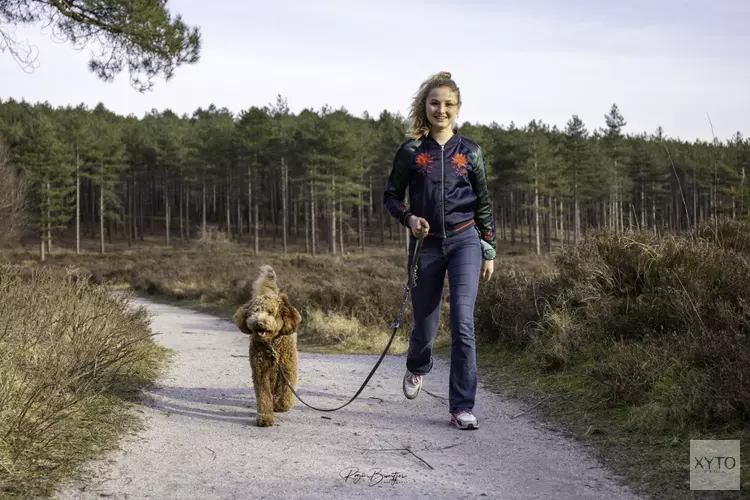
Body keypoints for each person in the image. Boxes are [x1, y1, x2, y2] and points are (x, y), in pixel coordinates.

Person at [383, 71, 496, 430]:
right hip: (425, 245)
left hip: (465, 242)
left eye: (448, 104)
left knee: (463, 324)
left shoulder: (471, 152)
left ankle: (461, 406)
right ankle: (418, 366)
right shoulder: (412, 152)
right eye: (435, 103)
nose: (441, 109)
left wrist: (489, 248)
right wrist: (409, 218)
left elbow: (483, 202)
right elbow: (390, 197)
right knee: (426, 330)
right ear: (425, 107)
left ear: (458, 108)